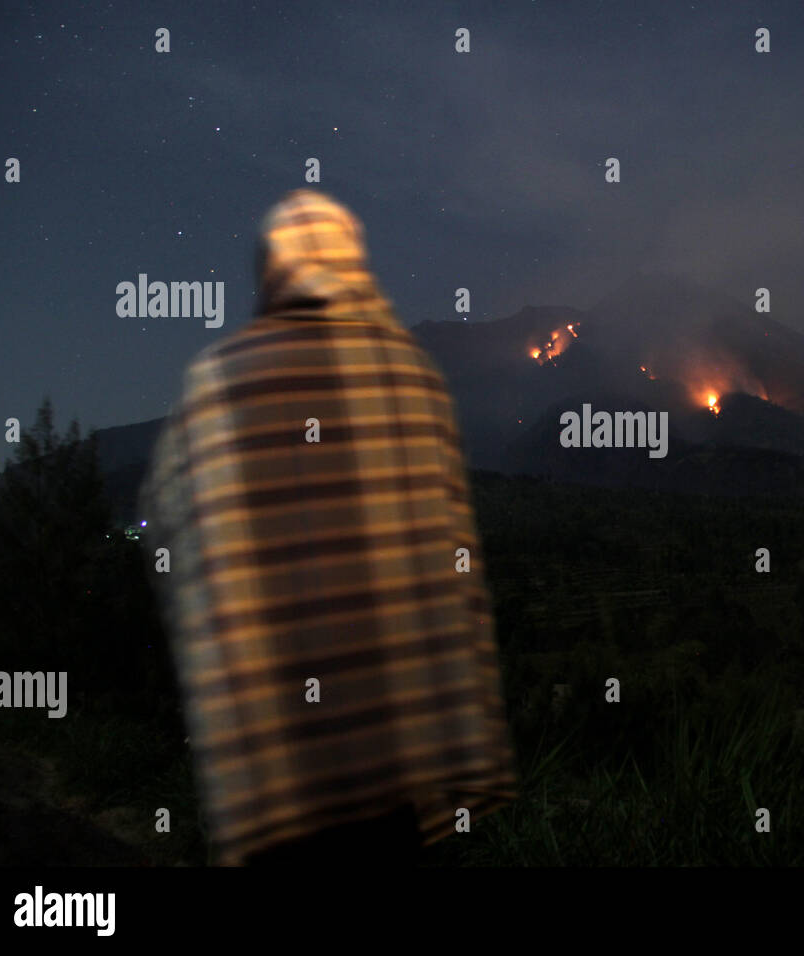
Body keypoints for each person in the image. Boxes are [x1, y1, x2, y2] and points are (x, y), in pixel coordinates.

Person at [140, 189, 516, 866]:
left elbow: (171, 526)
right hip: (397, 743)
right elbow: (452, 550)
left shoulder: (219, 380)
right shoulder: (413, 378)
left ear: (275, 271)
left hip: (280, 751)